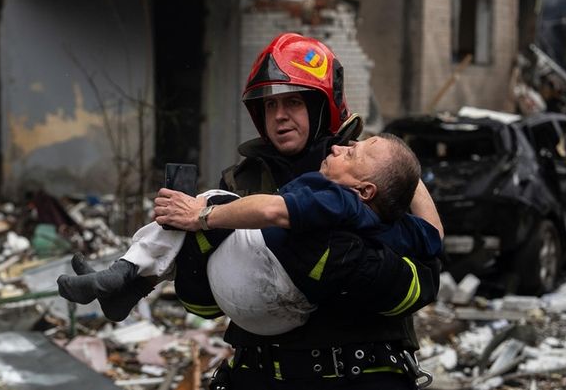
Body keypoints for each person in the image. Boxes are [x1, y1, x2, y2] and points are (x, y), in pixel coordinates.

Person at [60, 33, 442, 389]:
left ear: (321, 105)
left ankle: (129, 278)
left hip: (358, 375)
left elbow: (425, 276)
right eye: (269, 104)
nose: (279, 115)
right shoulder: (240, 181)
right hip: (259, 373)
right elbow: (205, 306)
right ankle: (128, 280)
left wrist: (347, 266)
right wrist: (196, 254)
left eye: (293, 101)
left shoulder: (374, 172)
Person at [59, 133, 441, 336]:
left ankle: (128, 273)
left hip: (257, 286)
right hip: (284, 317)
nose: (340, 146)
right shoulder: (389, 224)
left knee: (211, 198)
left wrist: (204, 216)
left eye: (352, 154)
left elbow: (272, 209)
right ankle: (131, 285)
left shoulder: (336, 199)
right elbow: (432, 234)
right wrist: (406, 176)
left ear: (364, 190)